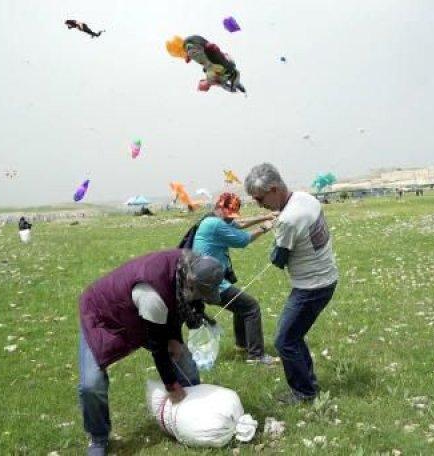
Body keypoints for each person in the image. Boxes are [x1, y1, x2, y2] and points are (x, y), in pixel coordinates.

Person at [77, 250, 224, 455]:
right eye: (202, 293)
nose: (202, 300)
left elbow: (174, 306)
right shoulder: (152, 295)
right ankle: (98, 437)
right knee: (91, 385)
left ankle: (194, 411)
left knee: (183, 359)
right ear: (191, 282)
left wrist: (174, 339)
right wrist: (171, 385)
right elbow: (158, 347)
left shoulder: (186, 267)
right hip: (103, 316)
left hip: (141, 312)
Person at [244, 163, 338, 404]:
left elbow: (278, 259)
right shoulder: (305, 198)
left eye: (259, 198)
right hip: (326, 278)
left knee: (284, 341)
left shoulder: (288, 219)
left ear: (274, 189)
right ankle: (309, 383)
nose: (259, 204)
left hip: (312, 287)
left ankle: (304, 393)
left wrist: (276, 238)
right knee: (294, 335)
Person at [186, 192, 276, 364]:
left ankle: (242, 346)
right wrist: (265, 227)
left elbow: (239, 223)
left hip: (203, 278)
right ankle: (256, 356)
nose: (230, 219)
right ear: (219, 208)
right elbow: (243, 240)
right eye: (228, 215)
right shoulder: (215, 225)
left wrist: (266, 215)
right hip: (210, 283)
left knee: (241, 306)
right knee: (251, 307)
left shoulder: (212, 219)